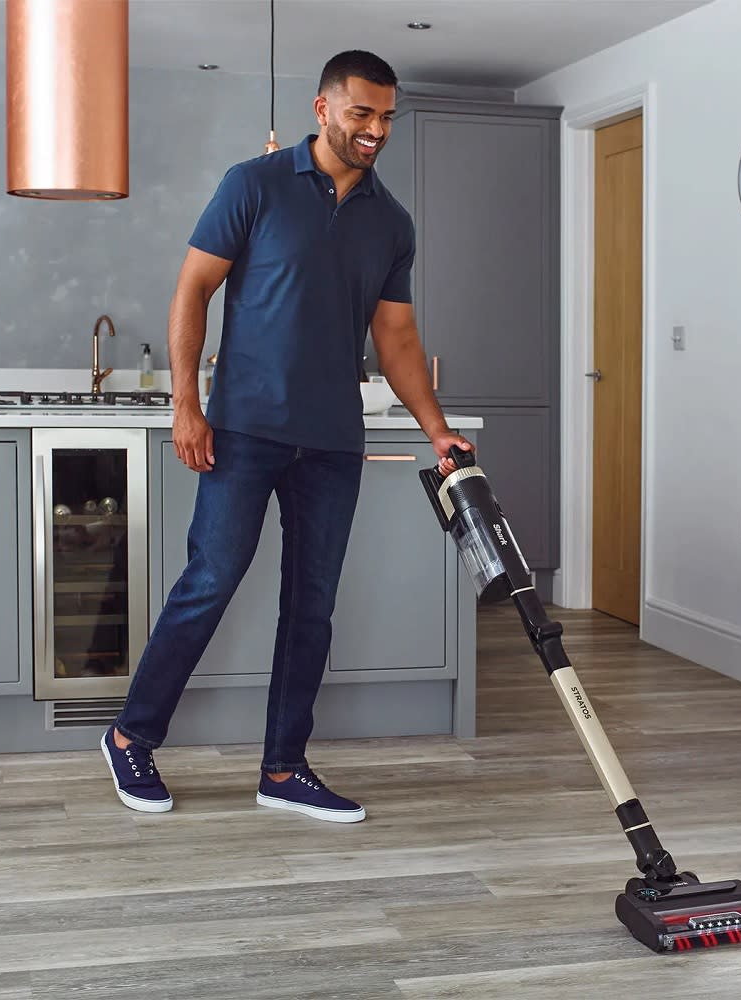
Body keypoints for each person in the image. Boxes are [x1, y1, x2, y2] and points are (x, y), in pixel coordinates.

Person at [100, 50, 472, 823]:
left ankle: (283, 768)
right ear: (322, 108)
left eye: (386, 117)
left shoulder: (390, 222)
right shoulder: (255, 185)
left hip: (332, 442)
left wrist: (436, 431)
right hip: (243, 429)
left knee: (312, 605)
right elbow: (192, 289)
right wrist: (186, 403)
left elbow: (397, 340)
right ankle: (132, 736)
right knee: (210, 582)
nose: (375, 130)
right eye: (361, 113)